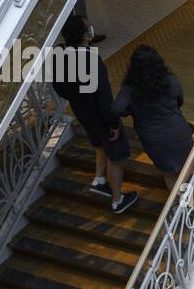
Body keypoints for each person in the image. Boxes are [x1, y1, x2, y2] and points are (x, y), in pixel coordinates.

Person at [52, 14, 138, 214]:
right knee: (116, 156)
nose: (91, 31)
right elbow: (103, 97)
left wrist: (75, 98)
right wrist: (114, 124)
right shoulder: (90, 59)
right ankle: (118, 200)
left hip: (82, 112)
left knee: (99, 143)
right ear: (84, 35)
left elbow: (58, 86)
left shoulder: (58, 53)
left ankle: (99, 180)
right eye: (88, 28)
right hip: (100, 116)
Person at [112, 45, 194, 190]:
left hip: (153, 140)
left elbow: (116, 109)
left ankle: (179, 201)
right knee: (189, 164)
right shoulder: (170, 80)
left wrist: (129, 112)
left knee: (169, 174)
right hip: (179, 133)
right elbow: (180, 100)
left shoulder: (129, 90)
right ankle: (186, 197)